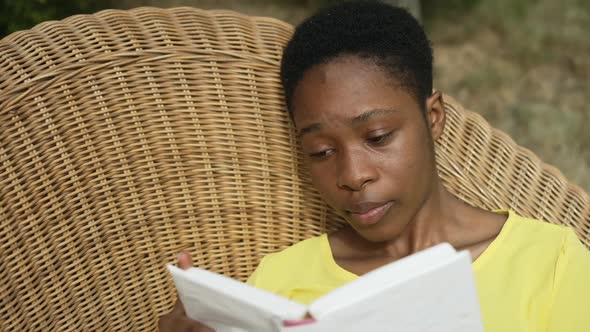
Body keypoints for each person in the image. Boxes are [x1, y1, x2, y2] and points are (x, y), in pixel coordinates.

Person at [159, 1, 590, 331]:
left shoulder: (549, 264)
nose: (352, 175)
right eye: (322, 152)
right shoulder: (281, 280)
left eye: (378, 137)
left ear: (433, 118)